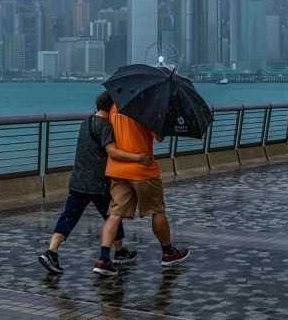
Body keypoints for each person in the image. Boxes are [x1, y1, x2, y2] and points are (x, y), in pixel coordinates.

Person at [38, 91, 148, 275]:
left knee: (69, 217)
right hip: (98, 183)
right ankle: (118, 252)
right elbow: (112, 152)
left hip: (78, 180)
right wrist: (138, 157)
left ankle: (51, 252)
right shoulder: (105, 126)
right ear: (112, 107)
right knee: (113, 216)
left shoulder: (86, 122)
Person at [93, 104, 190, 276]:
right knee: (157, 210)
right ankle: (168, 252)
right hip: (142, 169)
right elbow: (159, 136)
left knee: (115, 213)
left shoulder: (115, 108)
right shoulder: (146, 109)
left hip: (117, 169)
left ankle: (103, 258)